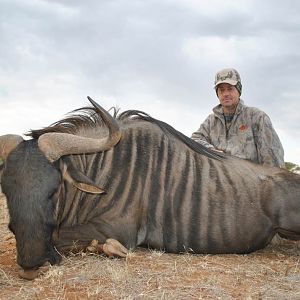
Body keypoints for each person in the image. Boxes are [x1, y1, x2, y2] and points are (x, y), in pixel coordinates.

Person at [191, 68, 284, 168]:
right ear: (217, 94)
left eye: (230, 88)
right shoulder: (211, 121)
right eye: (221, 90)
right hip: (219, 179)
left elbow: (273, 160)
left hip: (252, 180)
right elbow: (194, 140)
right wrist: (211, 150)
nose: (226, 94)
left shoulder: (257, 117)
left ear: (239, 91)